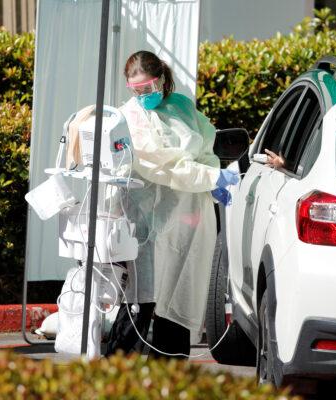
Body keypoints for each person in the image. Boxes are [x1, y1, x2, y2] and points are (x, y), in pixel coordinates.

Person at [106, 50, 239, 357]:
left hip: (187, 217)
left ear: (162, 80)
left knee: (180, 286)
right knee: (143, 296)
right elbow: (165, 167)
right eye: (136, 91)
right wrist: (211, 178)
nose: (143, 96)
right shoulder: (130, 119)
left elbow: (204, 144)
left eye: (148, 89)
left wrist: (212, 172)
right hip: (149, 220)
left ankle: (169, 368)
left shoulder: (182, 106)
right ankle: (115, 367)